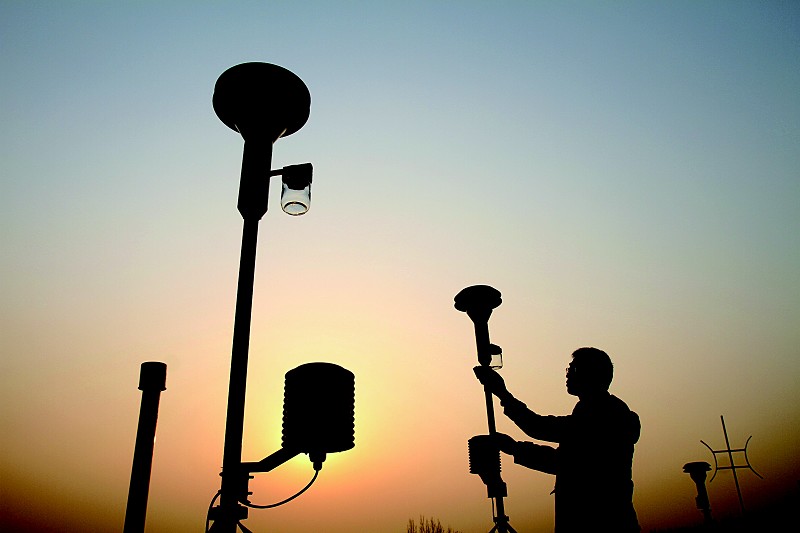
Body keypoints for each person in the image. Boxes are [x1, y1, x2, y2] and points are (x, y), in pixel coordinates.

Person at [474, 347, 641, 533]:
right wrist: (513, 447)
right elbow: (565, 459)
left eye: (574, 369)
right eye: (569, 369)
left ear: (591, 375)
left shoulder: (605, 416)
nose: (568, 374)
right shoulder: (594, 411)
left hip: (601, 521)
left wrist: (502, 394)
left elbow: (542, 433)